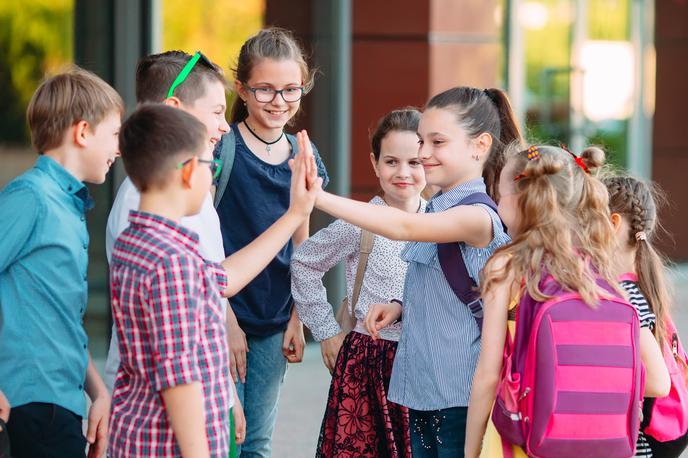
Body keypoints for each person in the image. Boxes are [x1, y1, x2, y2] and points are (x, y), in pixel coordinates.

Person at [296, 86, 521, 456]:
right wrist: (401, 304)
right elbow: (447, 284)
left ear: (479, 145)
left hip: (457, 397)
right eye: (422, 141)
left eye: (437, 142)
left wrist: (317, 197)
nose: (424, 153)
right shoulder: (440, 208)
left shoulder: (478, 216)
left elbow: (401, 227)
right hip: (422, 393)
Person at [109, 104, 320, 457]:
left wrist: (296, 213)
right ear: (190, 173)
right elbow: (180, 380)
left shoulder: (141, 242)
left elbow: (224, 278)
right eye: (212, 166)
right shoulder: (172, 263)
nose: (213, 175)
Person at [102, 50, 246, 447]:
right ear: (174, 110)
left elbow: (212, 285)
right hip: (166, 430)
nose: (225, 127)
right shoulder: (153, 210)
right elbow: (176, 368)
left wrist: (225, 392)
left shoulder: (181, 201)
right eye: (217, 112)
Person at [463, 145, 642, 457]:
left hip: (522, 438)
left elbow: (488, 375)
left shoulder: (506, 267)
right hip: (597, 444)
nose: (496, 201)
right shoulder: (600, 271)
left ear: (523, 200)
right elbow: (651, 378)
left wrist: (469, 449)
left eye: (501, 194)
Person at [213, 27, 329, 456]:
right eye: (265, 90)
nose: (279, 101)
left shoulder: (304, 152)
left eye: (290, 89)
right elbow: (202, 237)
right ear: (242, 89)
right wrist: (224, 318)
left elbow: (303, 238)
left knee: (258, 442)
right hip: (225, 313)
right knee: (224, 439)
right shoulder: (221, 151)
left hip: (275, 318)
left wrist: (297, 315)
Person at [0, 67, 122, 458]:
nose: (118, 150)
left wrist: (99, 393)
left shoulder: (68, 207)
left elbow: (59, 322)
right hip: (28, 406)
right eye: (115, 135)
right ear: (83, 132)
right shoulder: (31, 197)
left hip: (62, 405)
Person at [292, 108, 425, 457]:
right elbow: (304, 262)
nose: (404, 173)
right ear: (375, 163)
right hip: (369, 363)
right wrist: (325, 331)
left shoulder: (443, 221)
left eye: (415, 162)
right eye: (392, 161)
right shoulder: (358, 223)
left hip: (425, 362)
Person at [605, 176, 676, 457]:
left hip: (636, 443)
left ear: (612, 223)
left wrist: (591, 375)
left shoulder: (626, 294)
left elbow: (658, 382)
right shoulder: (642, 282)